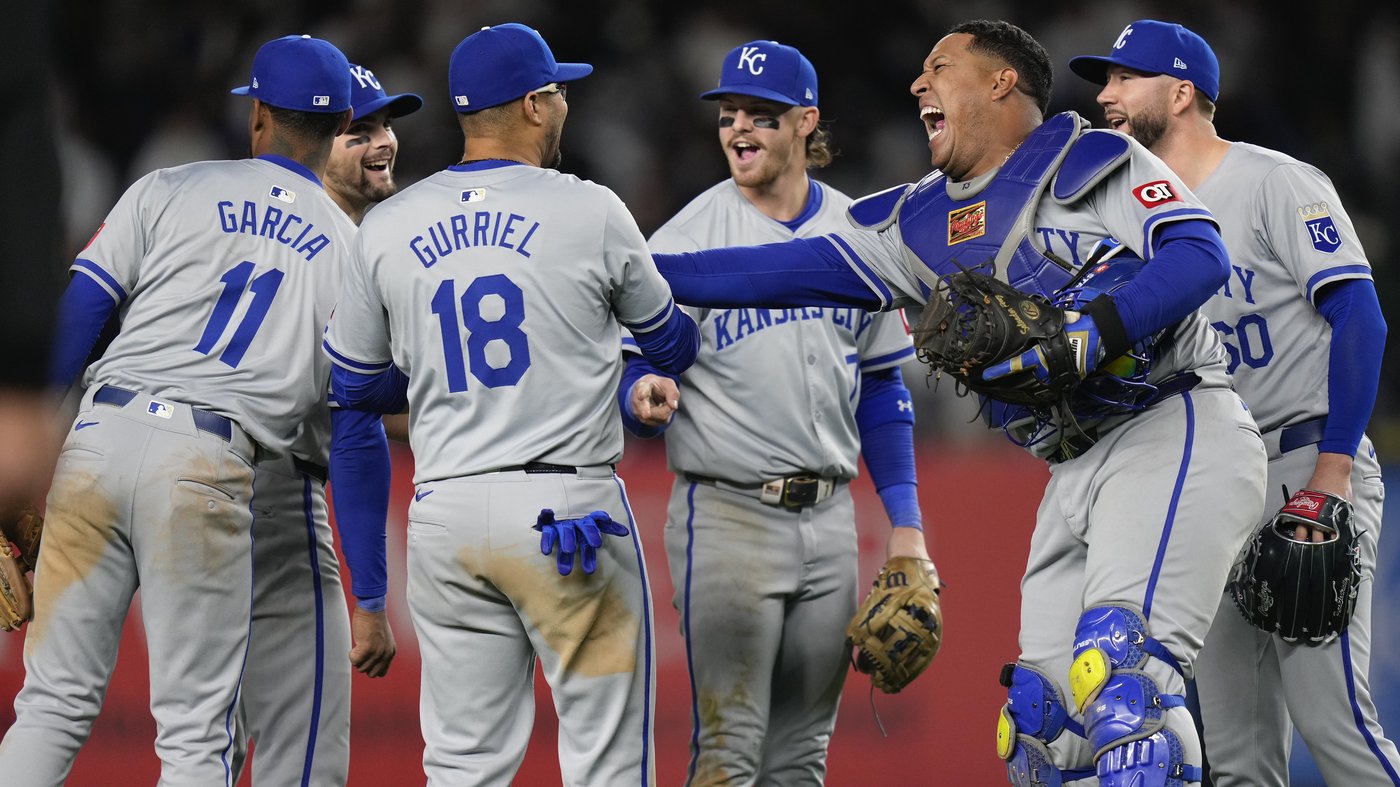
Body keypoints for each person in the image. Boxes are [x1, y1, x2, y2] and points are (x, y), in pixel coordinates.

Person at [651, 19, 1270, 785]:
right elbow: (766, 273)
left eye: (939, 67)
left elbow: (1199, 254)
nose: (917, 84)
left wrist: (1089, 333)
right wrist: (630, 268)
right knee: (1041, 731)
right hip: (1071, 465)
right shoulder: (914, 221)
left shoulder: (1094, 158)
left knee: (1124, 687)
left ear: (1001, 82)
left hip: (1170, 422)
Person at [321, 23, 699, 785]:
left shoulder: (389, 224)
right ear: (533, 103)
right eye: (558, 91)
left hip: (446, 510)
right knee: (607, 759)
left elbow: (355, 388)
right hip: (569, 509)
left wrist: (432, 375)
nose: (564, 104)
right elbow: (672, 345)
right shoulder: (590, 208)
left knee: (463, 764)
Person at [0, 35, 358, 784]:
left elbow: (80, 316)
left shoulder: (170, 185)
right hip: (205, 460)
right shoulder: (348, 245)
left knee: (52, 705)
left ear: (258, 113)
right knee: (195, 737)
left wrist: (27, 464)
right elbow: (353, 398)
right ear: (341, 126)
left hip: (96, 439)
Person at [1070, 20, 1398, 785]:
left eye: (1123, 79)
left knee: (1337, 725)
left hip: (1303, 466)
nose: (1105, 96)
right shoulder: (1130, 221)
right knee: (1237, 753)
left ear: (1181, 92)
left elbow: (1361, 317)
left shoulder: (1272, 180)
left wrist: (1333, 474)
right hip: (1209, 490)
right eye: (1104, 80)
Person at [618, 40, 924, 785]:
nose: (740, 129)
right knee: (729, 748)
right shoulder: (684, 239)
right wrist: (638, 396)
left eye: (760, 114)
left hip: (829, 517)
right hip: (727, 515)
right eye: (729, 116)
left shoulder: (860, 236)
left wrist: (907, 525)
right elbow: (634, 367)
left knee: (801, 758)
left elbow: (883, 389)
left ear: (805, 122)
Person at [230, 60, 420, 786]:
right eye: (357, 130)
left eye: (385, 125)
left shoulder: (231, 216)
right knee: (304, 757)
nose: (381, 143)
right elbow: (356, 415)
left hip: (188, 479)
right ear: (315, 137)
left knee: (201, 743)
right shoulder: (344, 248)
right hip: (274, 496)